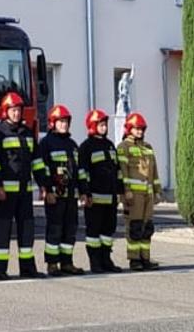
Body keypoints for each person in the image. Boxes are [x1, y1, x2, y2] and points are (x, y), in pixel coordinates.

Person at [0, 91, 41, 279]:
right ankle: (0, 270)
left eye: (18, 110)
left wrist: (44, 185)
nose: (16, 113)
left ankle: (28, 268)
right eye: (13, 110)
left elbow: (37, 162)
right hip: (5, 193)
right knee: (3, 230)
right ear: (5, 111)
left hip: (25, 192)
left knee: (27, 231)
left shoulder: (27, 133)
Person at [33, 104, 84, 276]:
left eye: (66, 122)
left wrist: (83, 191)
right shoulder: (46, 143)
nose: (64, 125)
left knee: (70, 229)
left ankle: (67, 262)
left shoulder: (72, 144)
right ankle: (52, 264)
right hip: (55, 194)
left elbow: (79, 171)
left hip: (71, 195)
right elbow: (41, 167)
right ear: (52, 123)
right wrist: (47, 189)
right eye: (60, 121)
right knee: (54, 229)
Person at [77, 108, 122, 273]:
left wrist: (120, 190)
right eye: (101, 125)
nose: (104, 128)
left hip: (110, 198)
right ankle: (95, 262)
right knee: (93, 232)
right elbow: (82, 172)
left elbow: (117, 170)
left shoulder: (110, 145)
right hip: (94, 198)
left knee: (108, 231)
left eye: (105, 125)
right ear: (92, 126)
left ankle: (106, 259)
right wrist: (85, 192)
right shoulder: (86, 147)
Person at [119, 112, 162, 271]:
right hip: (133, 195)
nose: (140, 132)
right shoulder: (124, 147)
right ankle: (134, 259)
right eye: (137, 129)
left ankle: (145, 258)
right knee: (135, 227)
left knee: (147, 227)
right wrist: (126, 191)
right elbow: (122, 171)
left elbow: (154, 170)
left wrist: (157, 190)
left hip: (148, 194)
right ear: (129, 129)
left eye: (142, 129)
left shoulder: (148, 148)